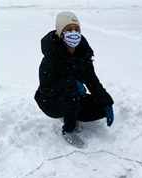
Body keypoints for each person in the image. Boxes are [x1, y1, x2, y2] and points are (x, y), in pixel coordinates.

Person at [35, 11, 115, 149]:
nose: (74, 33)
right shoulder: (51, 57)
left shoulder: (83, 54)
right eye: (69, 30)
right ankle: (68, 130)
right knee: (70, 93)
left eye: (76, 29)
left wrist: (107, 102)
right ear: (61, 33)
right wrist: (71, 82)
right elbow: (46, 89)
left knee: (99, 107)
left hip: (73, 97)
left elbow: (92, 81)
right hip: (49, 101)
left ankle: (71, 114)